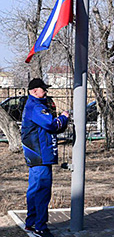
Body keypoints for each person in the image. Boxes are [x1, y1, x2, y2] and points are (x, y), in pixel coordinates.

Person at [22, 78, 69, 237]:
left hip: (36, 156)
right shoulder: (36, 107)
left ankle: (31, 223)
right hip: (40, 155)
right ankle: (40, 227)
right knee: (42, 191)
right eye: (43, 89)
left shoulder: (34, 105)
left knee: (34, 190)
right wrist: (64, 117)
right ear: (35, 91)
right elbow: (50, 124)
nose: (46, 92)